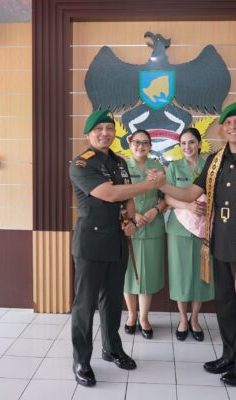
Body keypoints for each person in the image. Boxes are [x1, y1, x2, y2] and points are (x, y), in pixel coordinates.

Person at [153, 101, 236, 386]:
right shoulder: (215, 161)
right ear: (222, 129)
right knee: (226, 305)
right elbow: (190, 193)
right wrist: (161, 184)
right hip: (220, 246)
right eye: (229, 123)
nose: (233, 126)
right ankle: (230, 355)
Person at [69, 109, 164, 387]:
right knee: (84, 304)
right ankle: (81, 360)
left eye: (109, 129)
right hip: (91, 243)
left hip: (117, 240)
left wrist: (131, 221)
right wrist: (148, 184)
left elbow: (128, 200)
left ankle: (111, 348)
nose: (105, 133)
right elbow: (110, 193)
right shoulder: (81, 164)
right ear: (88, 134)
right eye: (98, 129)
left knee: (112, 300)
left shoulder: (120, 162)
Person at [165, 127, 214, 342]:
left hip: (204, 229)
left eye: (191, 142)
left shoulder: (209, 166)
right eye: (183, 143)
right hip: (179, 229)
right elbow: (167, 198)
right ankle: (182, 319)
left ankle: (195, 319)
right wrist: (188, 206)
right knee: (180, 274)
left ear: (200, 144)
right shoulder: (174, 167)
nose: (187, 147)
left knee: (200, 275)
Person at [123, 129, 166, 340]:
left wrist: (155, 210)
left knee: (147, 275)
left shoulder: (157, 167)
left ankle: (144, 318)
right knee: (128, 275)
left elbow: (166, 197)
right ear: (130, 143)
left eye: (145, 143)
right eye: (137, 142)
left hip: (152, 227)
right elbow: (117, 196)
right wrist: (134, 214)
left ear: (150, 146)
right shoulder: (122, 166)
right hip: (128, 227)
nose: (140, 146)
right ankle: (131, 316)